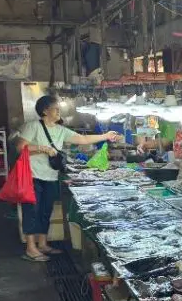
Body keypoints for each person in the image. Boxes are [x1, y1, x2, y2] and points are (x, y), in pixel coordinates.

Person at [16, 95, 118, 262]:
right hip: (33, 176)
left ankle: (42, 244)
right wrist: (42, 148)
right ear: (44, 111)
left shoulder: (60, 130)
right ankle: (30, 248)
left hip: (50, 176)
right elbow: (21, 147)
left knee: (45, 211)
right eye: (56, 109)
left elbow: (83, 139)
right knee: (32, 211)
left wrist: (106, 136)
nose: (59, 111)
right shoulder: (33, 126)